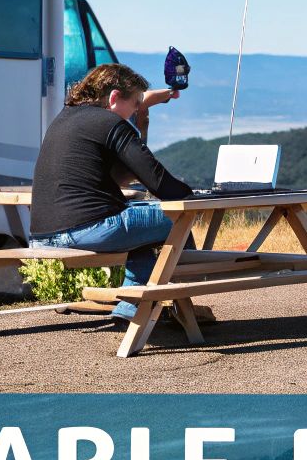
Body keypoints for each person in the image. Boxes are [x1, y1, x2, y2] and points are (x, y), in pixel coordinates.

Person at [29, 63, 194, 324]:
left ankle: (131, 309)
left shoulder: (66, 118)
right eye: (136, 104)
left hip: (42, 236)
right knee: (178, 217)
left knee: (144, 231)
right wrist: (196, 197)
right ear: (115, 97)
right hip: (85, 230)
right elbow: (159, 182)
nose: (136, 111)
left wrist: (143, 114)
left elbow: (120, 175)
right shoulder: (110, 122)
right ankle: (186, 288)